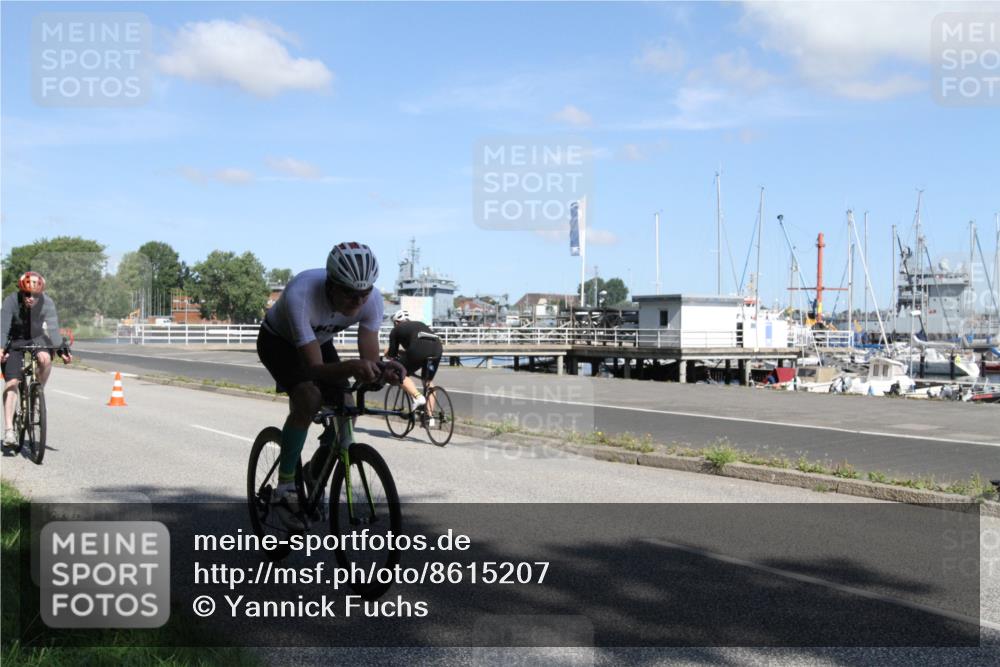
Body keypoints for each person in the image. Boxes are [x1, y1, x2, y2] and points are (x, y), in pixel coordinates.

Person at [256, 243, 403, 529]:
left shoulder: (371, 301)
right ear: (331, 285)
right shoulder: (303, 294)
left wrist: (383, 370)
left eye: (364, 294)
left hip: (319, 342)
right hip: (278, 342)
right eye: (350, 294)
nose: (358, 302)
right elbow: (313, 369)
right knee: (308, 397)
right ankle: (285, 490)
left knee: (348, 405)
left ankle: (315, 471)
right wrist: (351, 366)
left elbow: (369, 362)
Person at [1, 272, 73, 446]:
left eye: (35, 295)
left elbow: (54, 330)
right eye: (27, 294)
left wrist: (62, 349)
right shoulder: (11, 301)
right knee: (12, 383)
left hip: (36, 337)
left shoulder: (47, 302)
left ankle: (37, 392)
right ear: (21, 291)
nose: (30, 298)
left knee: (45, 359)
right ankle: (9, 430)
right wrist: (2, 348)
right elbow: (2, 328)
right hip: (15, 339)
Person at [385, 309, 443, 426]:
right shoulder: (419, 325)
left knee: (398, 372)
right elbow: (413, 349)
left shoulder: (396, 330)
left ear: (396, 322)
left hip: (419, 350)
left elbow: (392, 354)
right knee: (428, 381)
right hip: (437, 349)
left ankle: (417, 397)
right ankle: (429, 416)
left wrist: (387, 354)